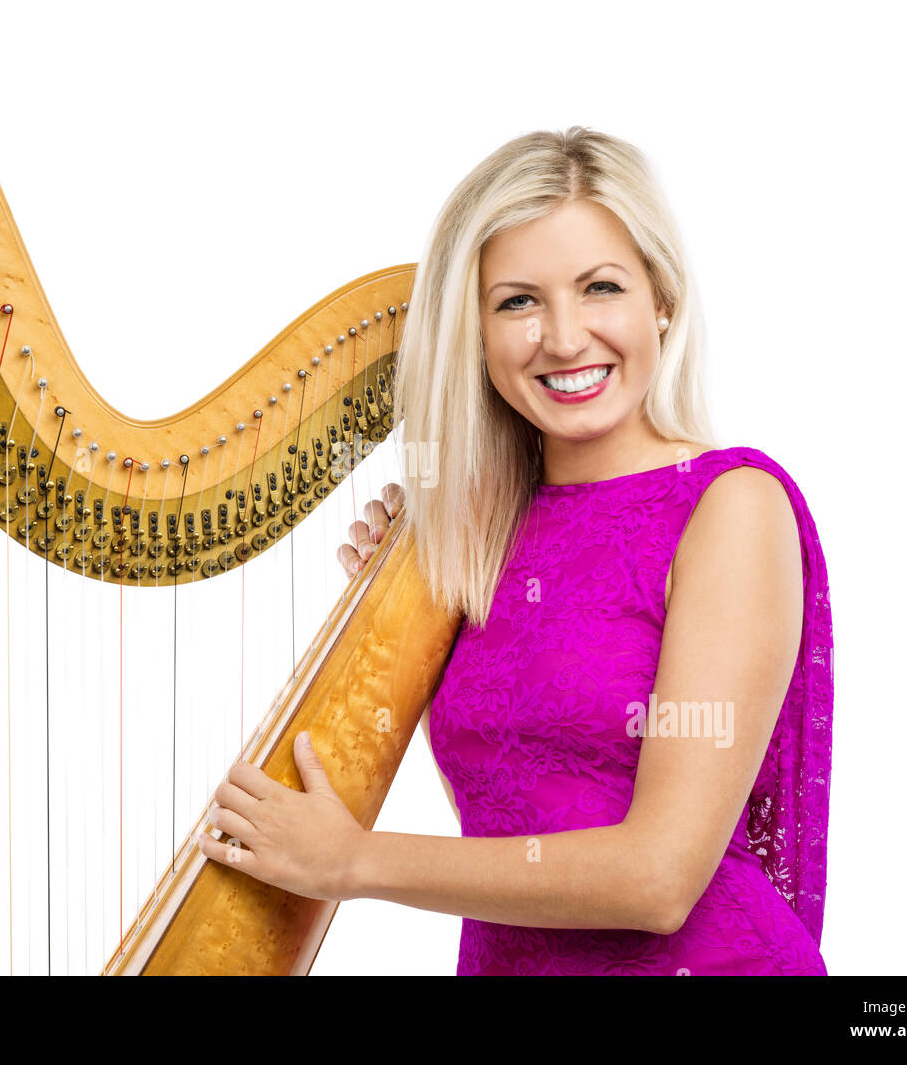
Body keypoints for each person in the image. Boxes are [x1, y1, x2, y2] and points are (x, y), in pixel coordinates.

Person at [196, 126, 833, 976]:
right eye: (518, 301)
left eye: (601, 287)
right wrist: (394, 613)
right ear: (478, 333)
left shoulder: (730, 507)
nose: (565, 339)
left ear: (662, 302)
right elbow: (519, 780)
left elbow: (659, 878)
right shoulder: (476, 539)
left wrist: (355, 861)